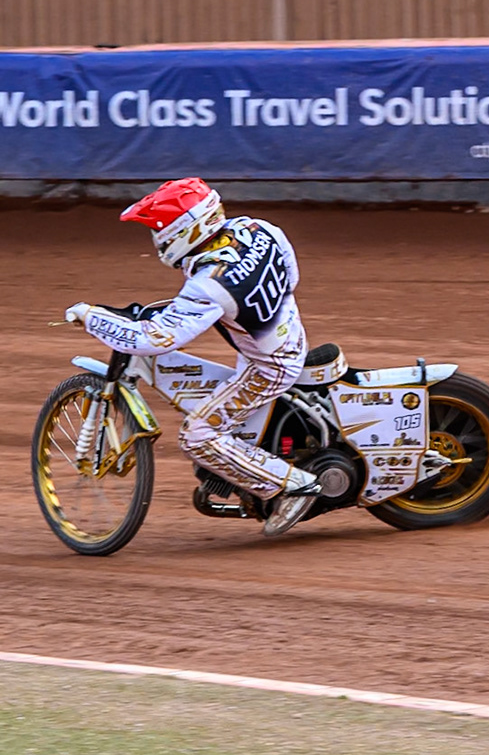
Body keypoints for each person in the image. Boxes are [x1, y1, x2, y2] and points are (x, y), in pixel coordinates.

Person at [65, 177, 322, 535]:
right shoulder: (259, 229)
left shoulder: (208, 286)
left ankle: (293, 486)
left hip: (269, 366)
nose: (157, 238)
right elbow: (291, 277)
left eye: (159, 230)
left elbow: (155, 338)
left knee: (197, 434)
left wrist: (92, 318)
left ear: (183, 230)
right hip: (286, 334)